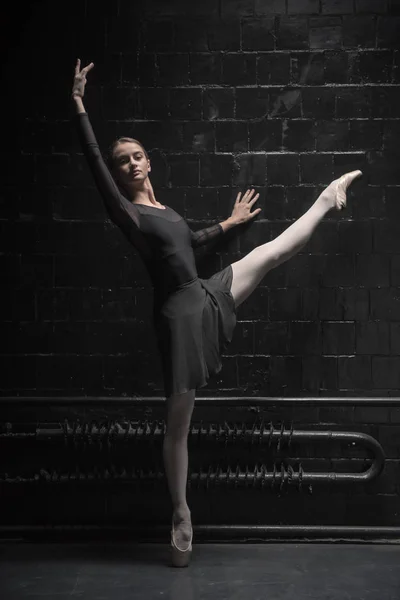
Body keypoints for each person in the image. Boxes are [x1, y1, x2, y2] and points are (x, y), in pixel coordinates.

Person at [71, 59, 362, 567]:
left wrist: (228, 224)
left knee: (268, 253)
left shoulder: (163, 213)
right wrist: (77, 105)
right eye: (124, 162)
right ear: (118, 173)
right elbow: (95, 165)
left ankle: (324, 198)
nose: (133, 164)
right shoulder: (129, 213)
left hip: (201, 290)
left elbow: (186, 244)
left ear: (150, 162)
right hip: (179, 318)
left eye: (138, 156)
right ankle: (181, 514)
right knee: (178, 426)